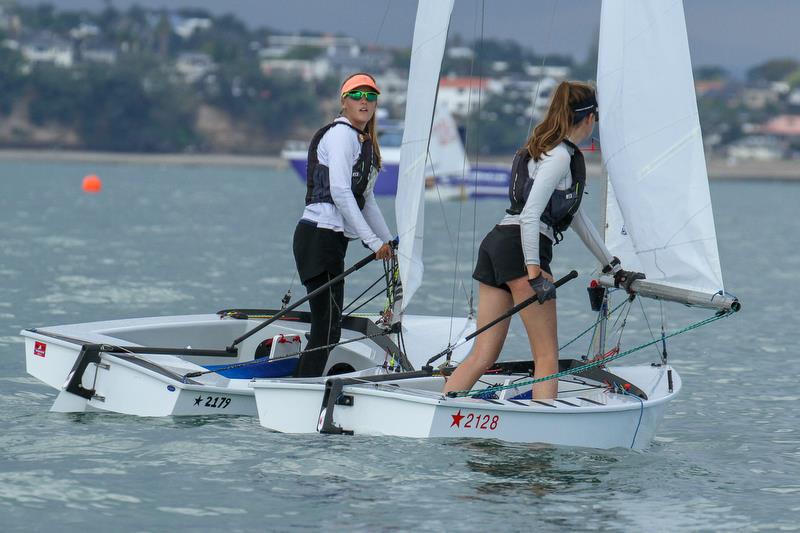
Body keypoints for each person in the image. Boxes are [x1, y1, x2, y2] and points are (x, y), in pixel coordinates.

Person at [443, 81, 644, 399]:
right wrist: (534, 273)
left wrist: (612, 266)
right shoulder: (561, 156)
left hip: (496, 245)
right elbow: (530, 215)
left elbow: (577, 218)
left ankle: (441, 411)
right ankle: (542, 442)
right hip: (522, 251)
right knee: (547, 358)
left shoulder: (542, 149)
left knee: (483, 355)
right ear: (589, 118)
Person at [292, 73, 394, 378]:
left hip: (332, 241)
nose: (365, 101)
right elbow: (339, 192)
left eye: (371, 97)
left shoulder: (365, 144)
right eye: (358, 95)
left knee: (330, 329)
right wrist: (373, 243)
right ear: (344, 102)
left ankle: (303, 384)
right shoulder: (340, 135)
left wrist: (390, 242)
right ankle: (300, 390)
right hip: (316, 236)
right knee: (326, 329)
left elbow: (367, 199)